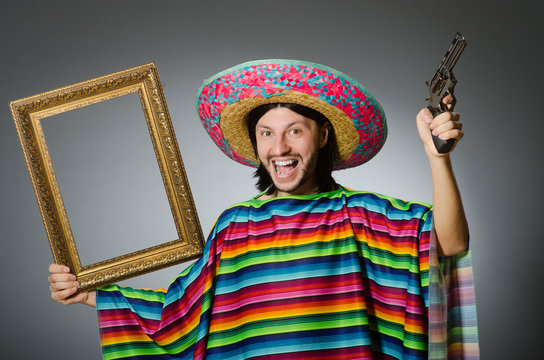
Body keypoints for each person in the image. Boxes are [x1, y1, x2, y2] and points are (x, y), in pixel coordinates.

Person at [49, 59, 478, 359]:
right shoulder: (235, 227)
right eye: (266, 133)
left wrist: (437, 157)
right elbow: (179, 315)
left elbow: (451, 242)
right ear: (255, 143)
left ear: (323, 135)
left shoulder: (363, 216)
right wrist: (90, 293)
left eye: (295, 130)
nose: (280, 148)